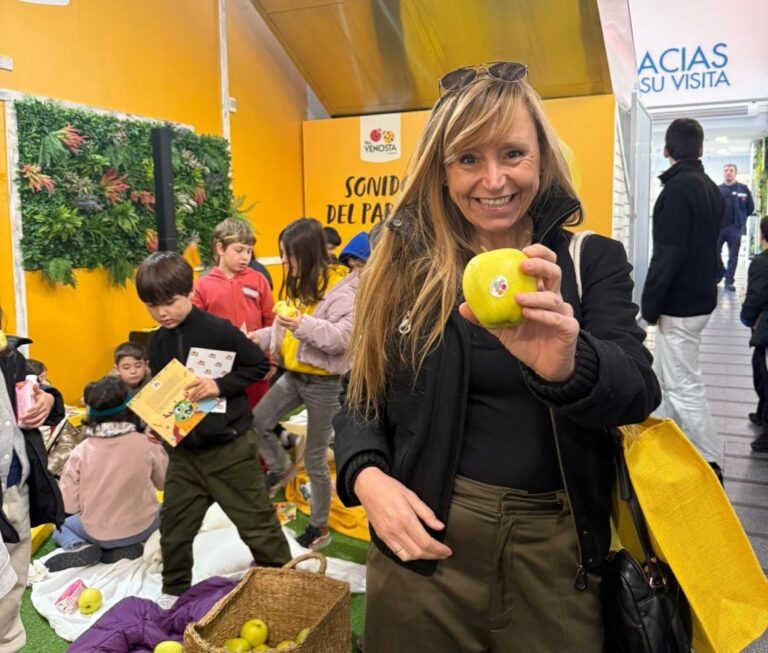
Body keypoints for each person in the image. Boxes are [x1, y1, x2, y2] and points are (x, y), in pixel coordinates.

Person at [333, 62, 660, 652]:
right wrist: (368, 477)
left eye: (512, 153)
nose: (493, 179)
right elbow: (360, 394)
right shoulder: (402, 267)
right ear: (440, 169)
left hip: (556, 553)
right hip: (425, 544)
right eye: (467, 159)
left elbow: (638, 389)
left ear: (541, 157)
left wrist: (567, 362)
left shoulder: (589, 263)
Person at [134, 252, 290, 605]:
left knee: (260, 529)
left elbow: (257, 365)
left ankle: (287, 595)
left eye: (169, 302)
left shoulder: (218, 330)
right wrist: (158, 423)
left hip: (230, 452)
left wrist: (218, 385)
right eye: (152, 306)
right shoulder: (157, 342)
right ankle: (174, 597)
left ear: (189, 292)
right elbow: (170, 392)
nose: (162, 313)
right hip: (185, 457)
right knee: (173, 533)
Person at [251, 218, 358, 550]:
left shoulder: (344, 290)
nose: (284, 262)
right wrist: (259, 337)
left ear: (308, 254)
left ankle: (319, 527)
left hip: (325, 383)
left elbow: (340, 340)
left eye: (289, 255)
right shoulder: (299, 284)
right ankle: (282, 468)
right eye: (282, 254)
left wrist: (301, 323)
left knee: (315, 458)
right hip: (295, 376)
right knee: (258, 421)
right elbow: (285, 333)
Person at [641, 118, 725, 480]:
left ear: (667, 150)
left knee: (682, 382)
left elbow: (668, 254)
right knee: (663, 374)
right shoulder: (709, 187)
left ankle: (710, 459)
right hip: (701, 296)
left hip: (681, 304)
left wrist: (649, 307)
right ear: (701, 149)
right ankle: (666, 444)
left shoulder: (677, 191)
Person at [46, 376, 168, 571]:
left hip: (96, 533)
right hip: (142, 529)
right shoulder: (146, 444)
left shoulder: (81, 451)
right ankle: (128, 547)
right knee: (169, 508)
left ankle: (79, 546)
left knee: (62, 527)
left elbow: (68, 504)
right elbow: (164, 483)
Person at [0, 310, 65, 651]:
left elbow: (43, 390)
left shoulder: (10, 358)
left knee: (15, 575)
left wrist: (49, 398)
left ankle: (9, 639)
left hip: (16, 485)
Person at [193, 218, 277, 408]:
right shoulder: (202, 285)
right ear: (220, 248)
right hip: (216, 367)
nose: (245, 257)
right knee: (219, 419)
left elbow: (271, 321)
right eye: (239, 250)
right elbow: (195, 326)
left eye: (248, 251)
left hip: (254, 362)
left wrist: (271, 359)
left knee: (257, 417)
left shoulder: (259, 280)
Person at [741, 216, 768, 453]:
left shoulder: (761, 263)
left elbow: (755, 297)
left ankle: (766, 433)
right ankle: (761, 414)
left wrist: (747, 319)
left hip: (766, 330)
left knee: (763, 374)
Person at [718, 163, 755, 291]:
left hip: (736, 227)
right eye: (726, 170)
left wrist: (742, 220)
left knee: (733, 256)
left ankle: (729, 281)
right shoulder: (718, 189)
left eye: (731, 170)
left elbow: (750, 207)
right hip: (719, 228)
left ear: (735, 173)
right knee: (714, 254)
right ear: (723, 173)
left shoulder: (743, 189)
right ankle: (720, 272)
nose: (728, 172)